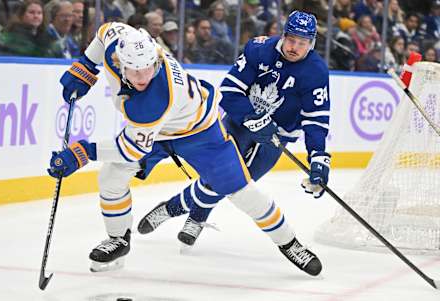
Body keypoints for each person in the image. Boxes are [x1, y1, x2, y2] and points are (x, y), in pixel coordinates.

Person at [47, 22, 321, 276]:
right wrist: (85, 66)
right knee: (110, 178)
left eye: (149, 68)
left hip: (199, 132)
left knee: (242, 192)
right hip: (158, 130)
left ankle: (289, 243)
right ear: (119, 62)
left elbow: (129, 150)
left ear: (155, 58)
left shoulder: (156, 97)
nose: (143, 77)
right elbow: (104, 30)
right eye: (134, 70)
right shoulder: (117, 41)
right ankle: (118, 240)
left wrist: (80, 154)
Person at [138, 11, 330, 276]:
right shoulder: (259, 49)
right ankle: (190, 214)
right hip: (240, 122)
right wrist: (252, 117)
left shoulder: (316, 71)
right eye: (291, 39)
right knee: (223, 178)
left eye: (302, 42)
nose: (295, 47)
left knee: (240, 187)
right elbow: (228, 91)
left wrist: (319, 157)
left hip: (276, 136)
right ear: (283, 35)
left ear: (312, 43)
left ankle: (181, 210)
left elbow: (316, 119)